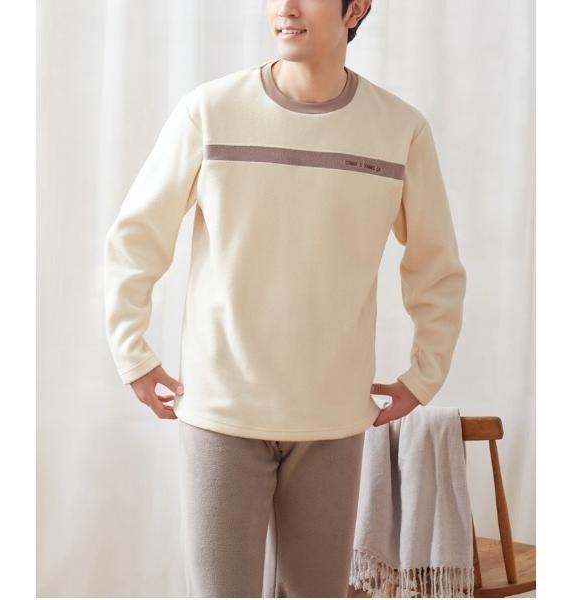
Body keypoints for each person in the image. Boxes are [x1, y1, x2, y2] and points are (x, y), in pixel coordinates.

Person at [103, 0, 467, 596]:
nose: (286, 8)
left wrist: (425, 375)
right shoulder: (210, 112)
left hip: (332, 418)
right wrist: (132, 354)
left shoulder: (400, 130)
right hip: (222, 411)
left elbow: (436, 265)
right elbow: (136, 239)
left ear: (356, 9)